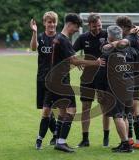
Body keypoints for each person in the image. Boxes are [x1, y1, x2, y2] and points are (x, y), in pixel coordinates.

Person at [44, 13, 105, 153]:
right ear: (69, 24)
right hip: (61, 81)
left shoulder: (58, 38)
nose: (77, 30)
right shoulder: (63, 40)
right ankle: (61, 142)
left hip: (55, 79)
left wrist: (77, 61)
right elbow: (74, 60)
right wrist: (95, 62)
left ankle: (57, 139)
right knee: (72, 110)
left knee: (63, 110)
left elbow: (72, 58)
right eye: (76, 27)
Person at [96, 25, 139, 153]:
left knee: (117, 116)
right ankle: (127, 141)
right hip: (130, 85)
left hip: (116, 86)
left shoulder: (108, 50)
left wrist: (100, 88)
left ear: (110, 36)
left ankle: (125, 144)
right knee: (124, 116)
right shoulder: (130, 49)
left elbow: (101, 69)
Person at [73, 13, 111, 147]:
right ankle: (85, 139)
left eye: (99, 26)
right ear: (89, 25)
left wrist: (136, 30)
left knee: (104, 106)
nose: (98, 28)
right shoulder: (83, 38)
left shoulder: (107, 34)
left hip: (103, 77)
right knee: (85, 107)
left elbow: (122, 40)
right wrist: (79, 62)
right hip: (87, 78)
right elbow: (71, 52)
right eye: (94, 26)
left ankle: (106, 137)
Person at [30, 11, 59, 150]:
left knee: (46, 110)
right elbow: (33, 48)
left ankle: (39, 140)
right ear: (44, 23)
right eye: (49, 22)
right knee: (47, 110)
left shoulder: (60, 39)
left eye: (53, 22)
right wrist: (34, 33)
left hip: (55, 81)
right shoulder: (40, 37)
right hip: (41, 78)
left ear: (56, 23)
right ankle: (56, 134)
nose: (51, 24)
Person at [116, 15, 139, 149]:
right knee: (132, 108)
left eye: (119, 28)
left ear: (123, 27)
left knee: (132, 108)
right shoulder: (136, 36)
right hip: (137, 74)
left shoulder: (129, 39)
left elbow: (122, 45)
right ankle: (134, 140)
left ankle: (137, 141)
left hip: (131, 75)